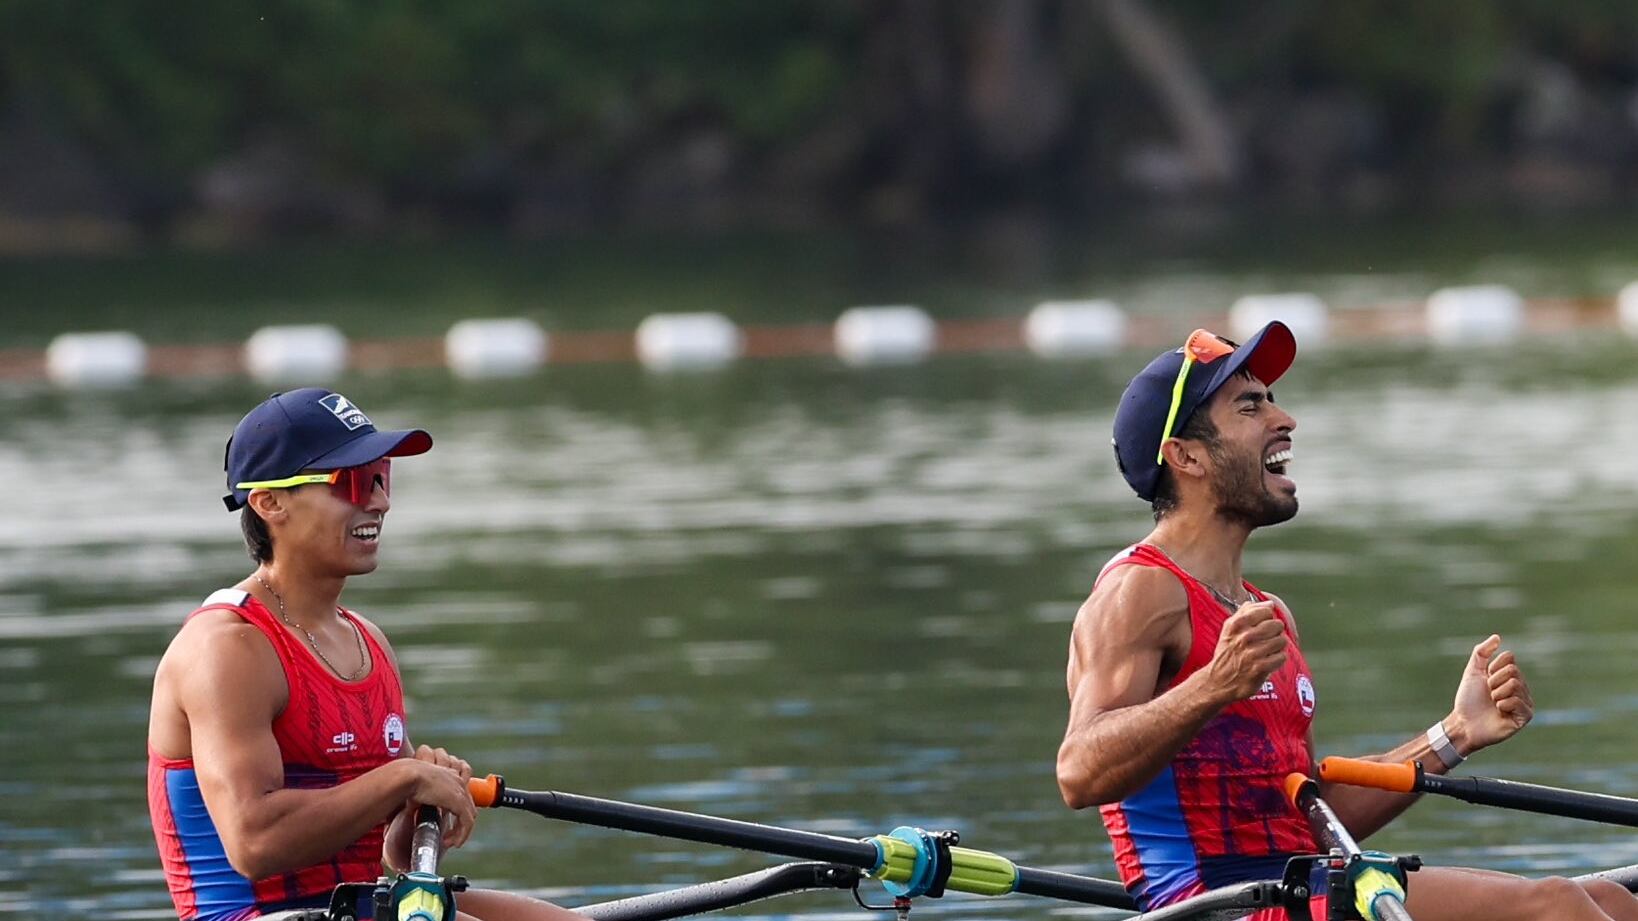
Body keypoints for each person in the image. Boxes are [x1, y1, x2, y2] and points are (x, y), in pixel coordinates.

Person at [1055, 324, 1638, 921]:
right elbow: (1079, 773)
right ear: (1187, 455)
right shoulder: (1140, 590)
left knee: (1615, 902)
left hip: (1301, 885)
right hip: (1215, 906)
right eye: (1250, 405)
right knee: (1557, 907)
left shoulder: (1266, 612)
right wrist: (1212, 684)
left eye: (1272, 400)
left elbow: (1312, 814)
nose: (1284, 420)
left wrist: (1456, 733)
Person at [147, 388, 579, 921]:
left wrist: (417, 817)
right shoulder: (227, 647)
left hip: (357, 906)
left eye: (381, 476)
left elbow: (384, 859)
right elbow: (254, 843)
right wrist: (400, 779)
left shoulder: (367, 640)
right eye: (351, 481)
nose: (379, 501)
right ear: (269, 502)